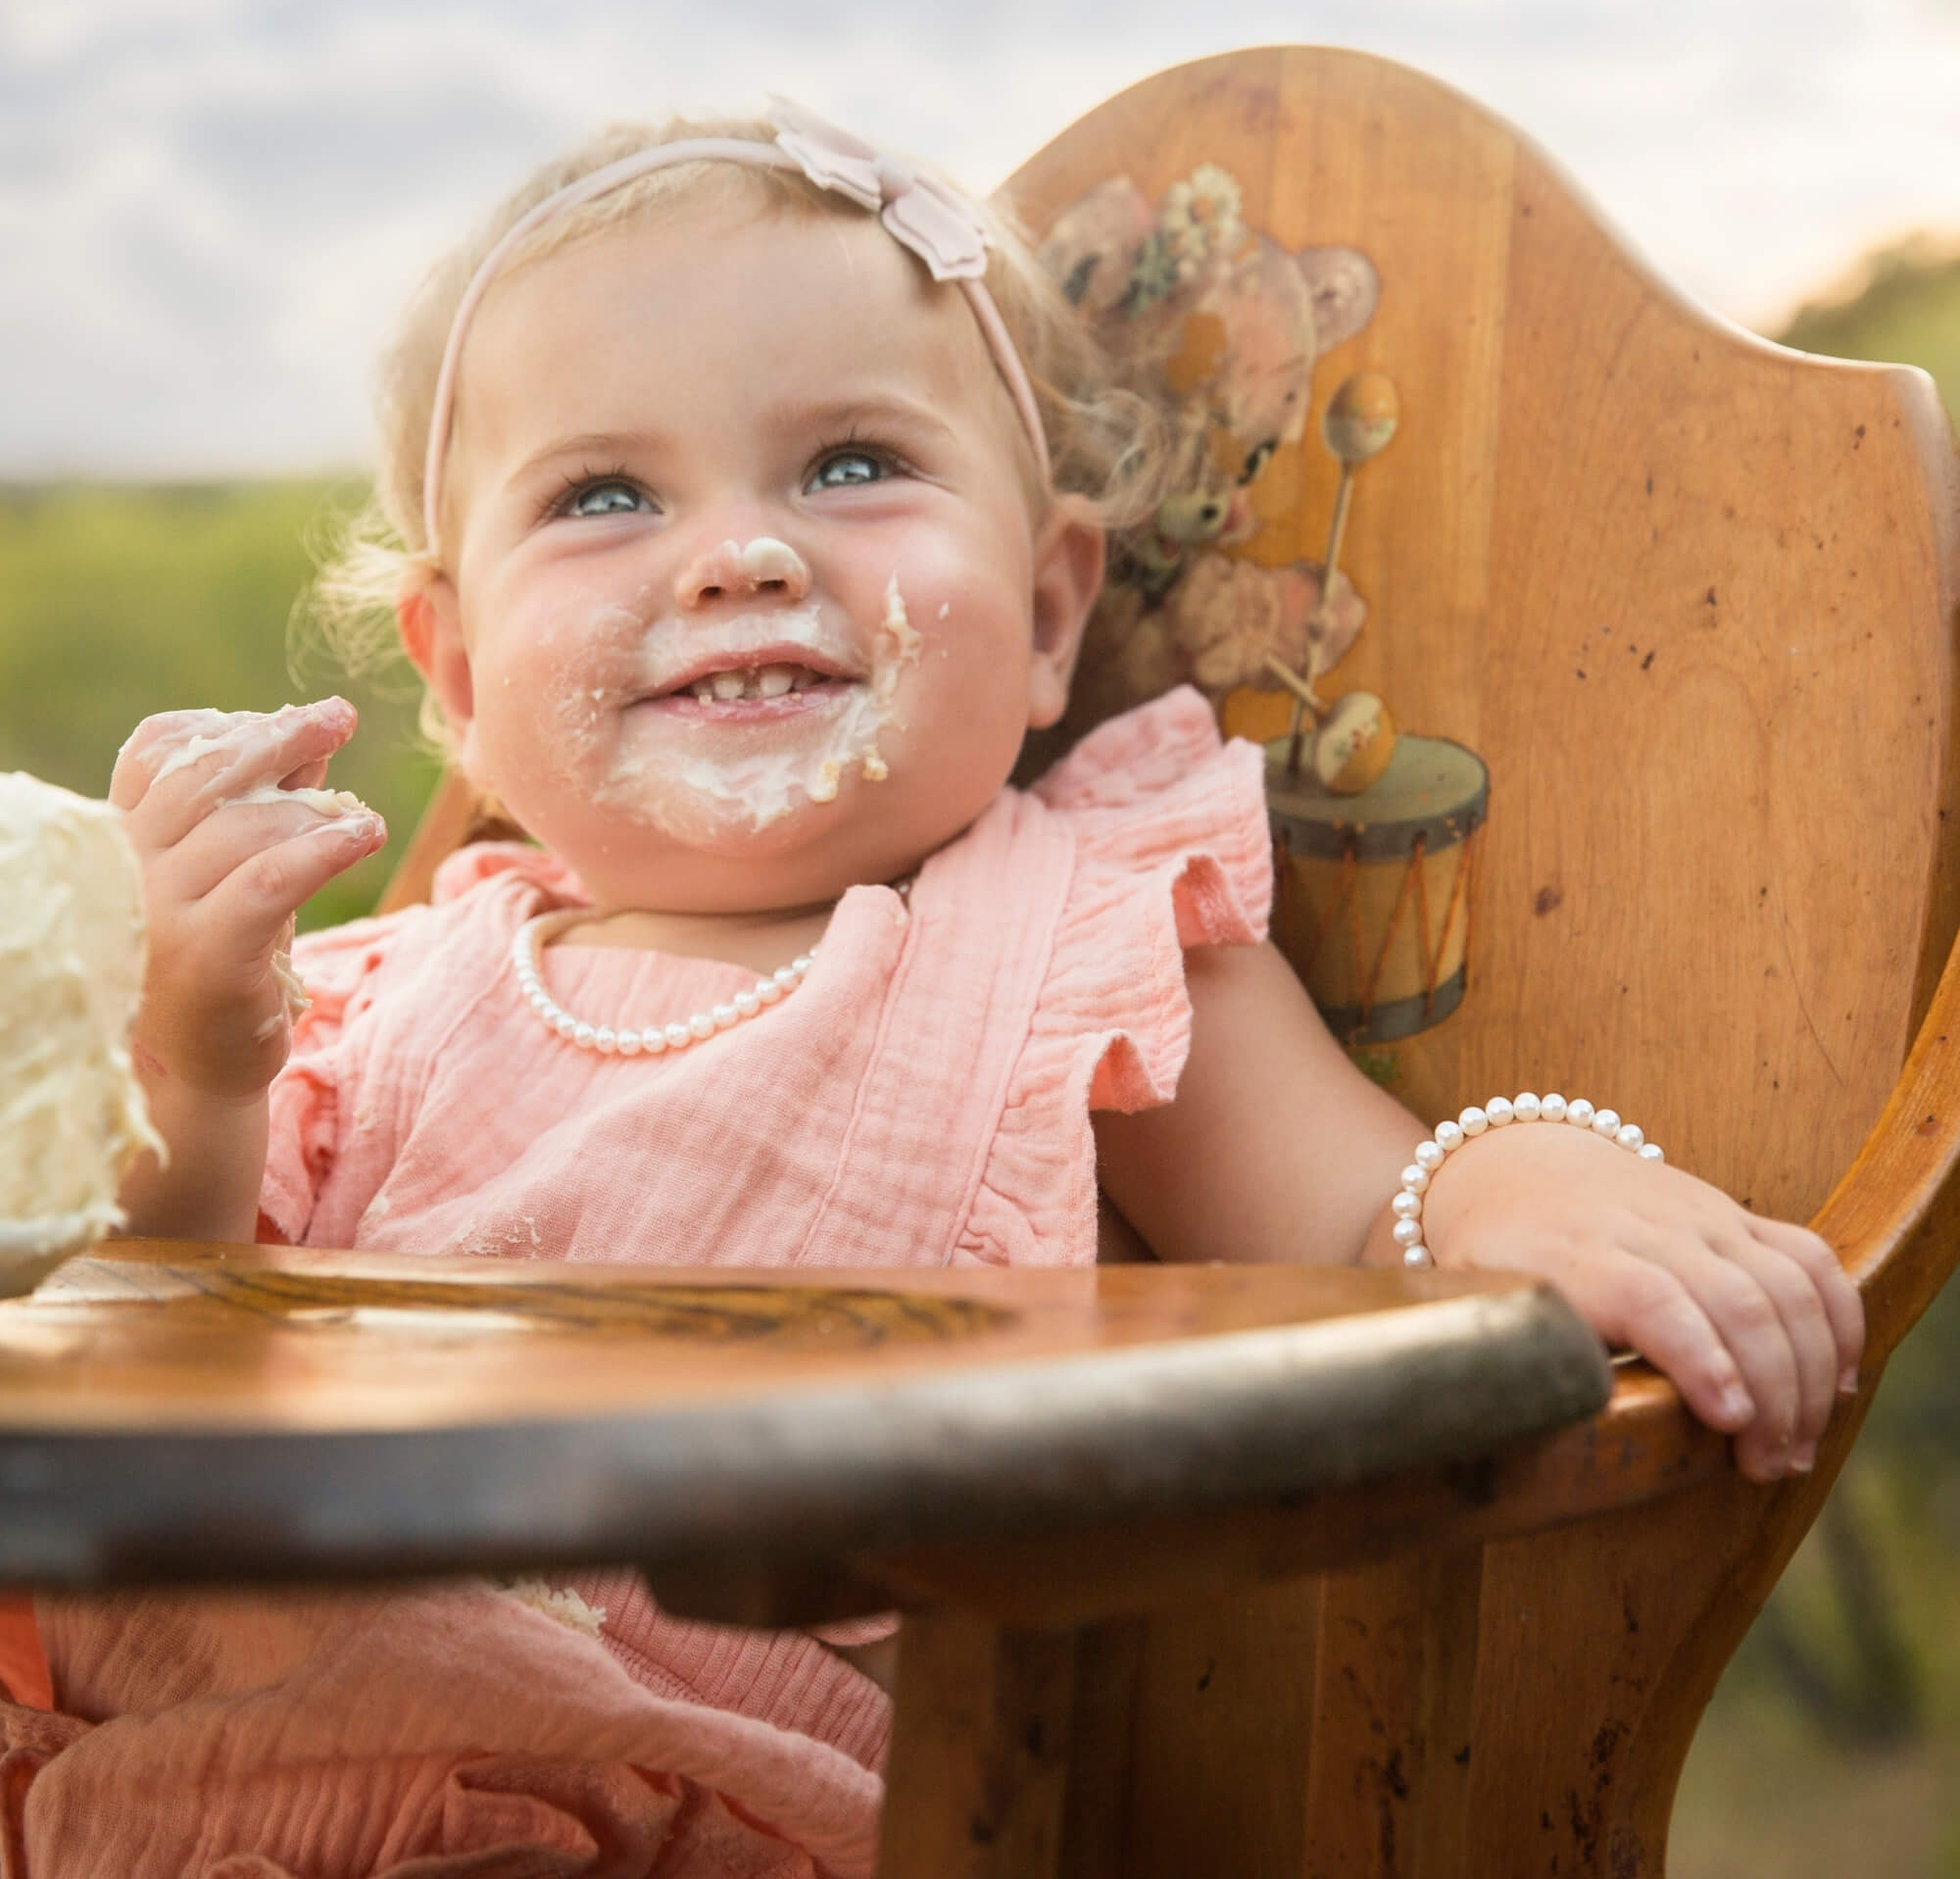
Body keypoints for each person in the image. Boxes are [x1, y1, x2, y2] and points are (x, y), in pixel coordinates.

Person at [12, 102, 1861, 1877]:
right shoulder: (373, 1003)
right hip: (186, 1796)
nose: (739, 550)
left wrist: (1532, 1185)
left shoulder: (1072, 946)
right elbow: (168, 1343)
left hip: (715, 1814)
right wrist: (190, 1056)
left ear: (1053, 609)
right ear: (462, 673)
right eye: (603, 493)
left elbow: (1359, 1214)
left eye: (851, 465)